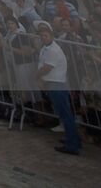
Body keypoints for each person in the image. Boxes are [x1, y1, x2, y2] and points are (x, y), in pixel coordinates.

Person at [35, 21, 79, 155]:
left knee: (66, 114)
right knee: (63, 113)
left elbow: (47, 67)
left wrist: (37, 76)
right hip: (52, 83)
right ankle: (72, 139)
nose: (44, 38)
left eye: (46, 35)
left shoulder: (53, 50)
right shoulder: (45, 48)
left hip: (57, 84)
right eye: (42, 36)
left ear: (51, 36)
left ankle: (73, 144)